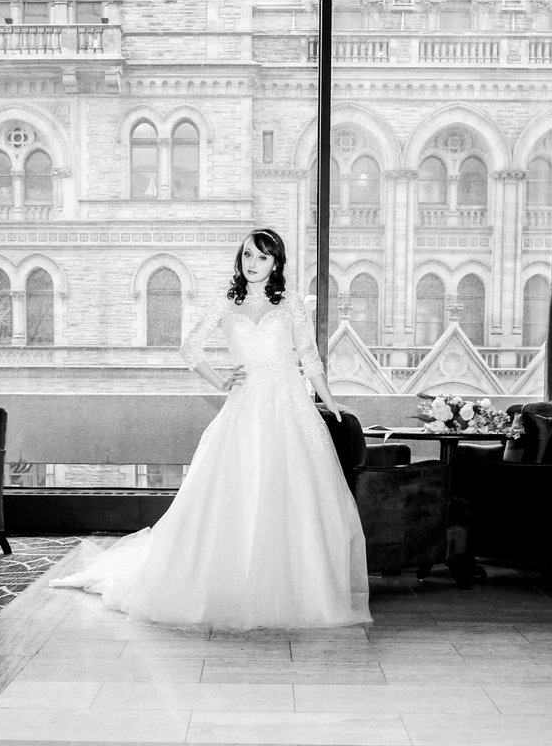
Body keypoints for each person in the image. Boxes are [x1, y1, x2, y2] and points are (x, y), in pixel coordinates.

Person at [50, 228, 371, 630]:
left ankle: (292, 589)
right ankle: (231, 585)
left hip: (289, 408)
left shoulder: (289, 303)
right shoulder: (227, 303)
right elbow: (189, 347)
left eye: (262, 257)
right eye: (248, 255)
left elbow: (309, 355)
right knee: (238, 493)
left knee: (293, 496)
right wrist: (221, 381)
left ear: (276, 263)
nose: (253, 263)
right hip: (246, 407)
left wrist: (329, 400)